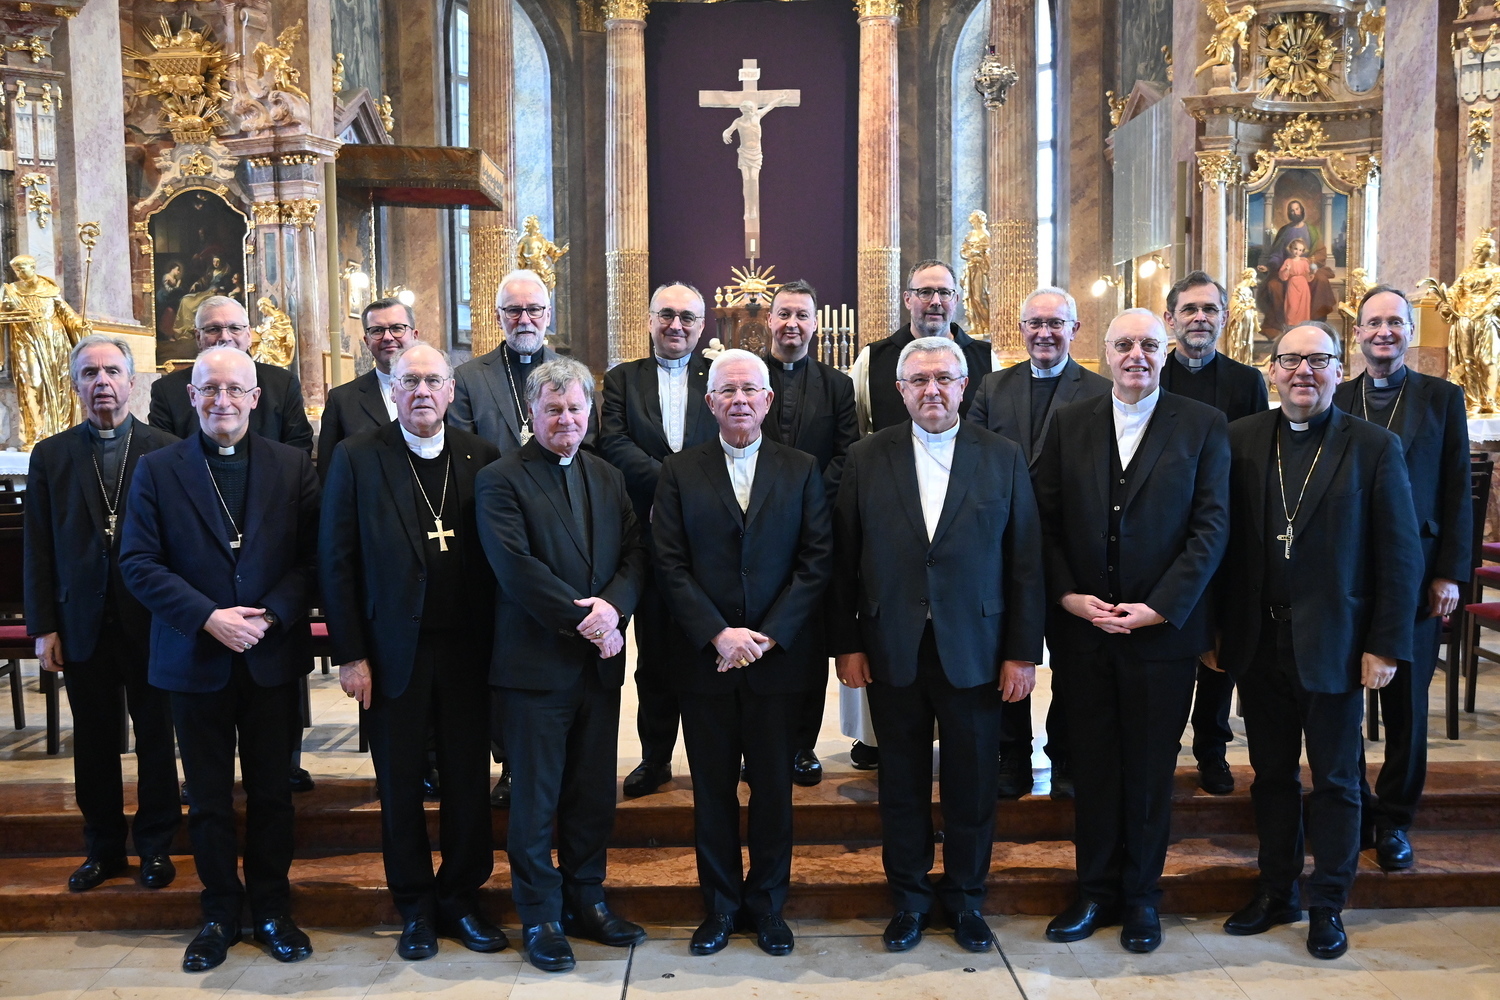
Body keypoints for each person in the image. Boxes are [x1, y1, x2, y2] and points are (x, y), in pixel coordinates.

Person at [1214, 322, 1422, 960]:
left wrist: (1386, 645)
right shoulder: (1241, 439)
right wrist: (1214, 632)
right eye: (1291, 360)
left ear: (1338, 369)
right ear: (1272, 370)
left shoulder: (1374, 446)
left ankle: (1329, 902)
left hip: (1337, 642)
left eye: (1318, 360)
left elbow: (1400, 555)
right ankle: (1277, 890)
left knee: (1335, 778)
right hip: (1259, 640)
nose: (1303, 371)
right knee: (1271, 776)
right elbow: (1219, 546)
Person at [831, 336, 1044, 954]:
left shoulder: (1001, 456)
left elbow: (1025, 562)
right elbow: (844, 560)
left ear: (963, 386)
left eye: (944, 379)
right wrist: (847, 644)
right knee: (900, 783)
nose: (932, 390)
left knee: (971, 784)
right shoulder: (866, 457)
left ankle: (967, 898)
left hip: (977, 647)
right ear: (899, 391)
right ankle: (910, 900)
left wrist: (1022, 652)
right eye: (919, 380)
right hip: (892, 645)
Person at [1034, 309, 1230, 953]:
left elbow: (1211, 528)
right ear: (1105, 353)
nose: (1136, 355)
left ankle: (1143, 898)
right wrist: (1066, 595)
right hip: (1085, 632)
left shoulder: (1201, 424)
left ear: (1164, 350)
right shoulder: (1071, 422)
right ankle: (1093, 891)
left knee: (1149, 771)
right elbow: (1044, 520)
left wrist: (1162, 607)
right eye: (1124, 345)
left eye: (1148, 344)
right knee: (1092, 767)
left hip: (1161, 637)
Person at [120, 345, 320, 973]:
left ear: (256, 399)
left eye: (235, 389)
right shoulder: (158, 469)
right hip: (193, 658)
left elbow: (314, 559)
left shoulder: (293, 465)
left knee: (272, 795)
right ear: (192, 396)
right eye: (210, 389)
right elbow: (138, 562)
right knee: (207, 798)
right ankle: (218, 914)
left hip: (269, 655)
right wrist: (210, 617)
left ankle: (272, 909)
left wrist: (270, 616)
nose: (222, 400)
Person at [320, 344, 505, 961]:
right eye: (410, 381)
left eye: (433, 381)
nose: (422, 391)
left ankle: (460, 898)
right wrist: (350, 654)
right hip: (390, 652)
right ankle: (415, 908)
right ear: (392, 391)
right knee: (399, 785)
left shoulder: (481, 456)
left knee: (467, 782)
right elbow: (336, 560)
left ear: (451, 390)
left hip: (468, 652)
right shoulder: (357, 456)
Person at [653, 349, 833, 958]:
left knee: (774, 791)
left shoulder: (801, 468)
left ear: (767, 400)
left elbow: (816, 560)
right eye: (727, 391)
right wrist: (718, 633)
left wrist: (768, 635)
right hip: (705, 661)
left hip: (777, 663)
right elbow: (669, 563)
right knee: (712, 792)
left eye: (749, 390)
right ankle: (721, 906)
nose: (739, 400)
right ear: (709, 402)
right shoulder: (679, 471)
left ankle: (769, 905)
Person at [478, 357, 650, 973]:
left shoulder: (607, 475)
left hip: (598, 670)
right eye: (553, 410)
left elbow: (635, 553)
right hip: (535, 667)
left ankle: (587, 899)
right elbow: (515, 567)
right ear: (532, 413)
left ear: (590, 412)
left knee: (591, 794)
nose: (567, 419)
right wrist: (591, 622)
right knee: (535, 799)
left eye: (576, 408)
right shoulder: (501, 479)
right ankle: (541, 916)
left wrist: (615, 607)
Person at [23, 335, 180, 893]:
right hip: (80, 621)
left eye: (112, 371)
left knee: (156, 735)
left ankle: (156, 846)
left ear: (132, 381)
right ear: (75, 385)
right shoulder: (51, 454)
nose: (102, 382)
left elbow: (181, 543)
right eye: (89, 373)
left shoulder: (165, 449)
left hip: (151, 620)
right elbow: (38, 545)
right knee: (92, 740)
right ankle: (103, 849)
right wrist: (43, 626)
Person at [1333, 286, 1473, 871]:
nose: (1383, 332)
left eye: (1395, 322)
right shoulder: (1338, 394)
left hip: (1416, 575)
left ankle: (1394, 819)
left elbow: (1457, 488)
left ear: (1409, 332)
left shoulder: (1443, 398)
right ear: (1358, 334)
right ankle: (1352, 809)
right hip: (1345, 576)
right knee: (1339, 703)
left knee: (1406, 709)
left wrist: (1450, 573)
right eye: (1373, 323)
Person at [843, 260, 994, 769]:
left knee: (970, 766)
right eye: (924, 292)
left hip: (969, 614)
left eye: (944, 292)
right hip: (893, 593)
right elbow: (858, 423)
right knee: (898, 764)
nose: (934, 301)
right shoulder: (873, 362)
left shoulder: (986, 365)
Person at [967, 286, 1111, 799]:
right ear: (1021, 330)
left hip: (1070, 545)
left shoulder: (1100, 390)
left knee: (1073, 656)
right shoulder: (993, 386)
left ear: (1075, 330)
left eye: (1056, 324)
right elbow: (974, 454)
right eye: (1036, 323)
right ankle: (1011, 755)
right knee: (1009, 649)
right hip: (1004, 546)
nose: (1045, 333)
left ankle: (1065, 753)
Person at [599, 282, 717, 797]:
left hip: (710, 539)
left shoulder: (720, 375)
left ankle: (716, 758)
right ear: (649, 320)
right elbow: (613, 442)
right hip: (644, 538)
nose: (676, 325)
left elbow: (733, 438)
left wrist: (682, 487)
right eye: (666, 315)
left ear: (701, 325)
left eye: (687, 317)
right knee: (654, 656)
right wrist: (673, 482)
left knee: (709, 647)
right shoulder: (623, 379)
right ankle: (655, 758)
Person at [1159, 269, 1271, 795]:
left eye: (1209, 309)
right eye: (1190, 309)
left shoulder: (1247, 382)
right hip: (1164, 537)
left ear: (1224, 319)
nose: (1199, 318)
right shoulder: (1151, 372)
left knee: (1220, 651)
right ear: (1170, 319)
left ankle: (1211, 748)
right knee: (1168, 648)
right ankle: (1161, 747)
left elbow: (1257, 460)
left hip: (1225, 532)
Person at [760, 280, 858, 786]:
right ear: (770, 320)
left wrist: (809, 497)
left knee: (807, 644)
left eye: (802, 315)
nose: (792, 324)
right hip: (754, 531)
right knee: (757, 634)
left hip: (815, 531)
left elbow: (847, 453)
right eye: (784, 314)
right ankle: (757, 744)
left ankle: (802, 745)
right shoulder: (745, 375)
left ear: (815, 324)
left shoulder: (838, 385)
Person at [150, 295, 314, 455]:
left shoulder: (283, 384)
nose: (224, 337)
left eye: (234, 328)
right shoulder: (167, 390)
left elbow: (298, 449)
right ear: (198, 337)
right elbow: (162, 454)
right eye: (213, 329)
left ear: (248, 335)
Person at [450, 269, 567, 454]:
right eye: (514, 310)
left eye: (534, 309)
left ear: (548, 316)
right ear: (498, 317)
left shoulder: (573, 376)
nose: (524, 320)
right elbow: (464, 454)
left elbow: (585, 449)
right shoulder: (467, 379)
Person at [315, 297, 419, 478]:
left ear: (414, 335)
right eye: (377, 330)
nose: (388, 337)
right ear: (366, 341)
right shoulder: (342, 401)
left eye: (397, 328)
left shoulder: (440, 392)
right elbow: (328, 474)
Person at [1279, 240, 1314, 327]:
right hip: (1293, 285)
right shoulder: (1288, 261)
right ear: (1291, 249)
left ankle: (1302, 325)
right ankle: (1291, 325)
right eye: (1295, 249)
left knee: (1303, 307)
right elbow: (1283, 276)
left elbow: (1307, 276)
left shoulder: (1304, 262)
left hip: (1303, 286)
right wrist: (1286, 269)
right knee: (1292, 306)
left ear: (1302, 251)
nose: (1297, 252)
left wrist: (1312, 273)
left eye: (1300, 250)